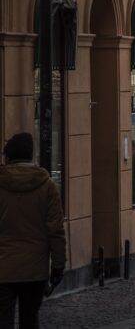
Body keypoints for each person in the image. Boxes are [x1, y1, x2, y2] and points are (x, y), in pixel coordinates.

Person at [0, 133, 65, 328]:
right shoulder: (47, 186)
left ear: (8, 157)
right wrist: (58, 266)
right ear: (31, 156)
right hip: (35, 269)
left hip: (3, 266)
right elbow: (56, 230)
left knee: (3, 320)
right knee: (30, 318)